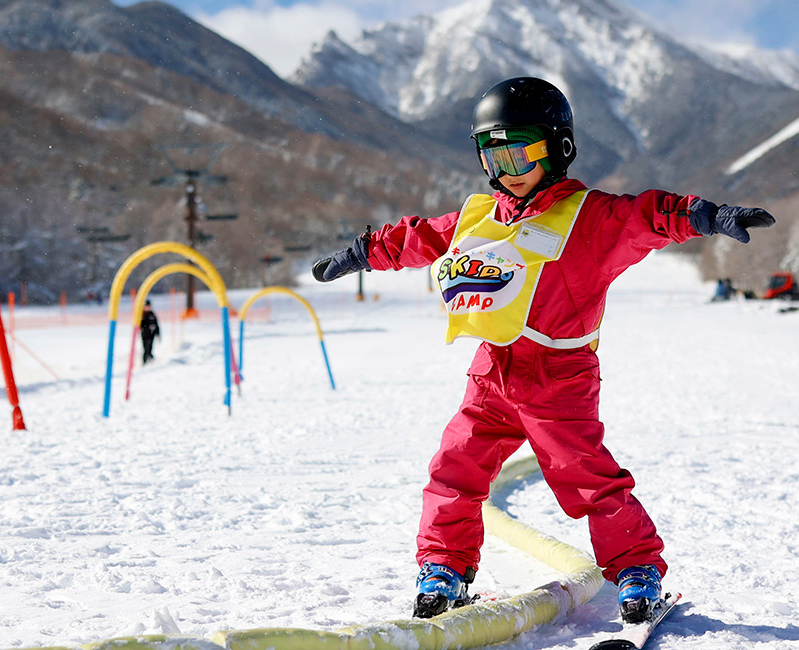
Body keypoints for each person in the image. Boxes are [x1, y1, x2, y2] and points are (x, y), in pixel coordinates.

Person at [311, 77, 774, 621]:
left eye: (520, 154)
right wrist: (362, 252)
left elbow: (649, 214)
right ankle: (445, 567)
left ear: (558, 150)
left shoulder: (590, 218)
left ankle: (636, 569)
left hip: (560, 376)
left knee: (586, 478)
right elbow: (420, 237)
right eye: (493, 155)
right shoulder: (479, 218)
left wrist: (706, 214)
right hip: (491, 371)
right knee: (454, 468)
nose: (506, 172)